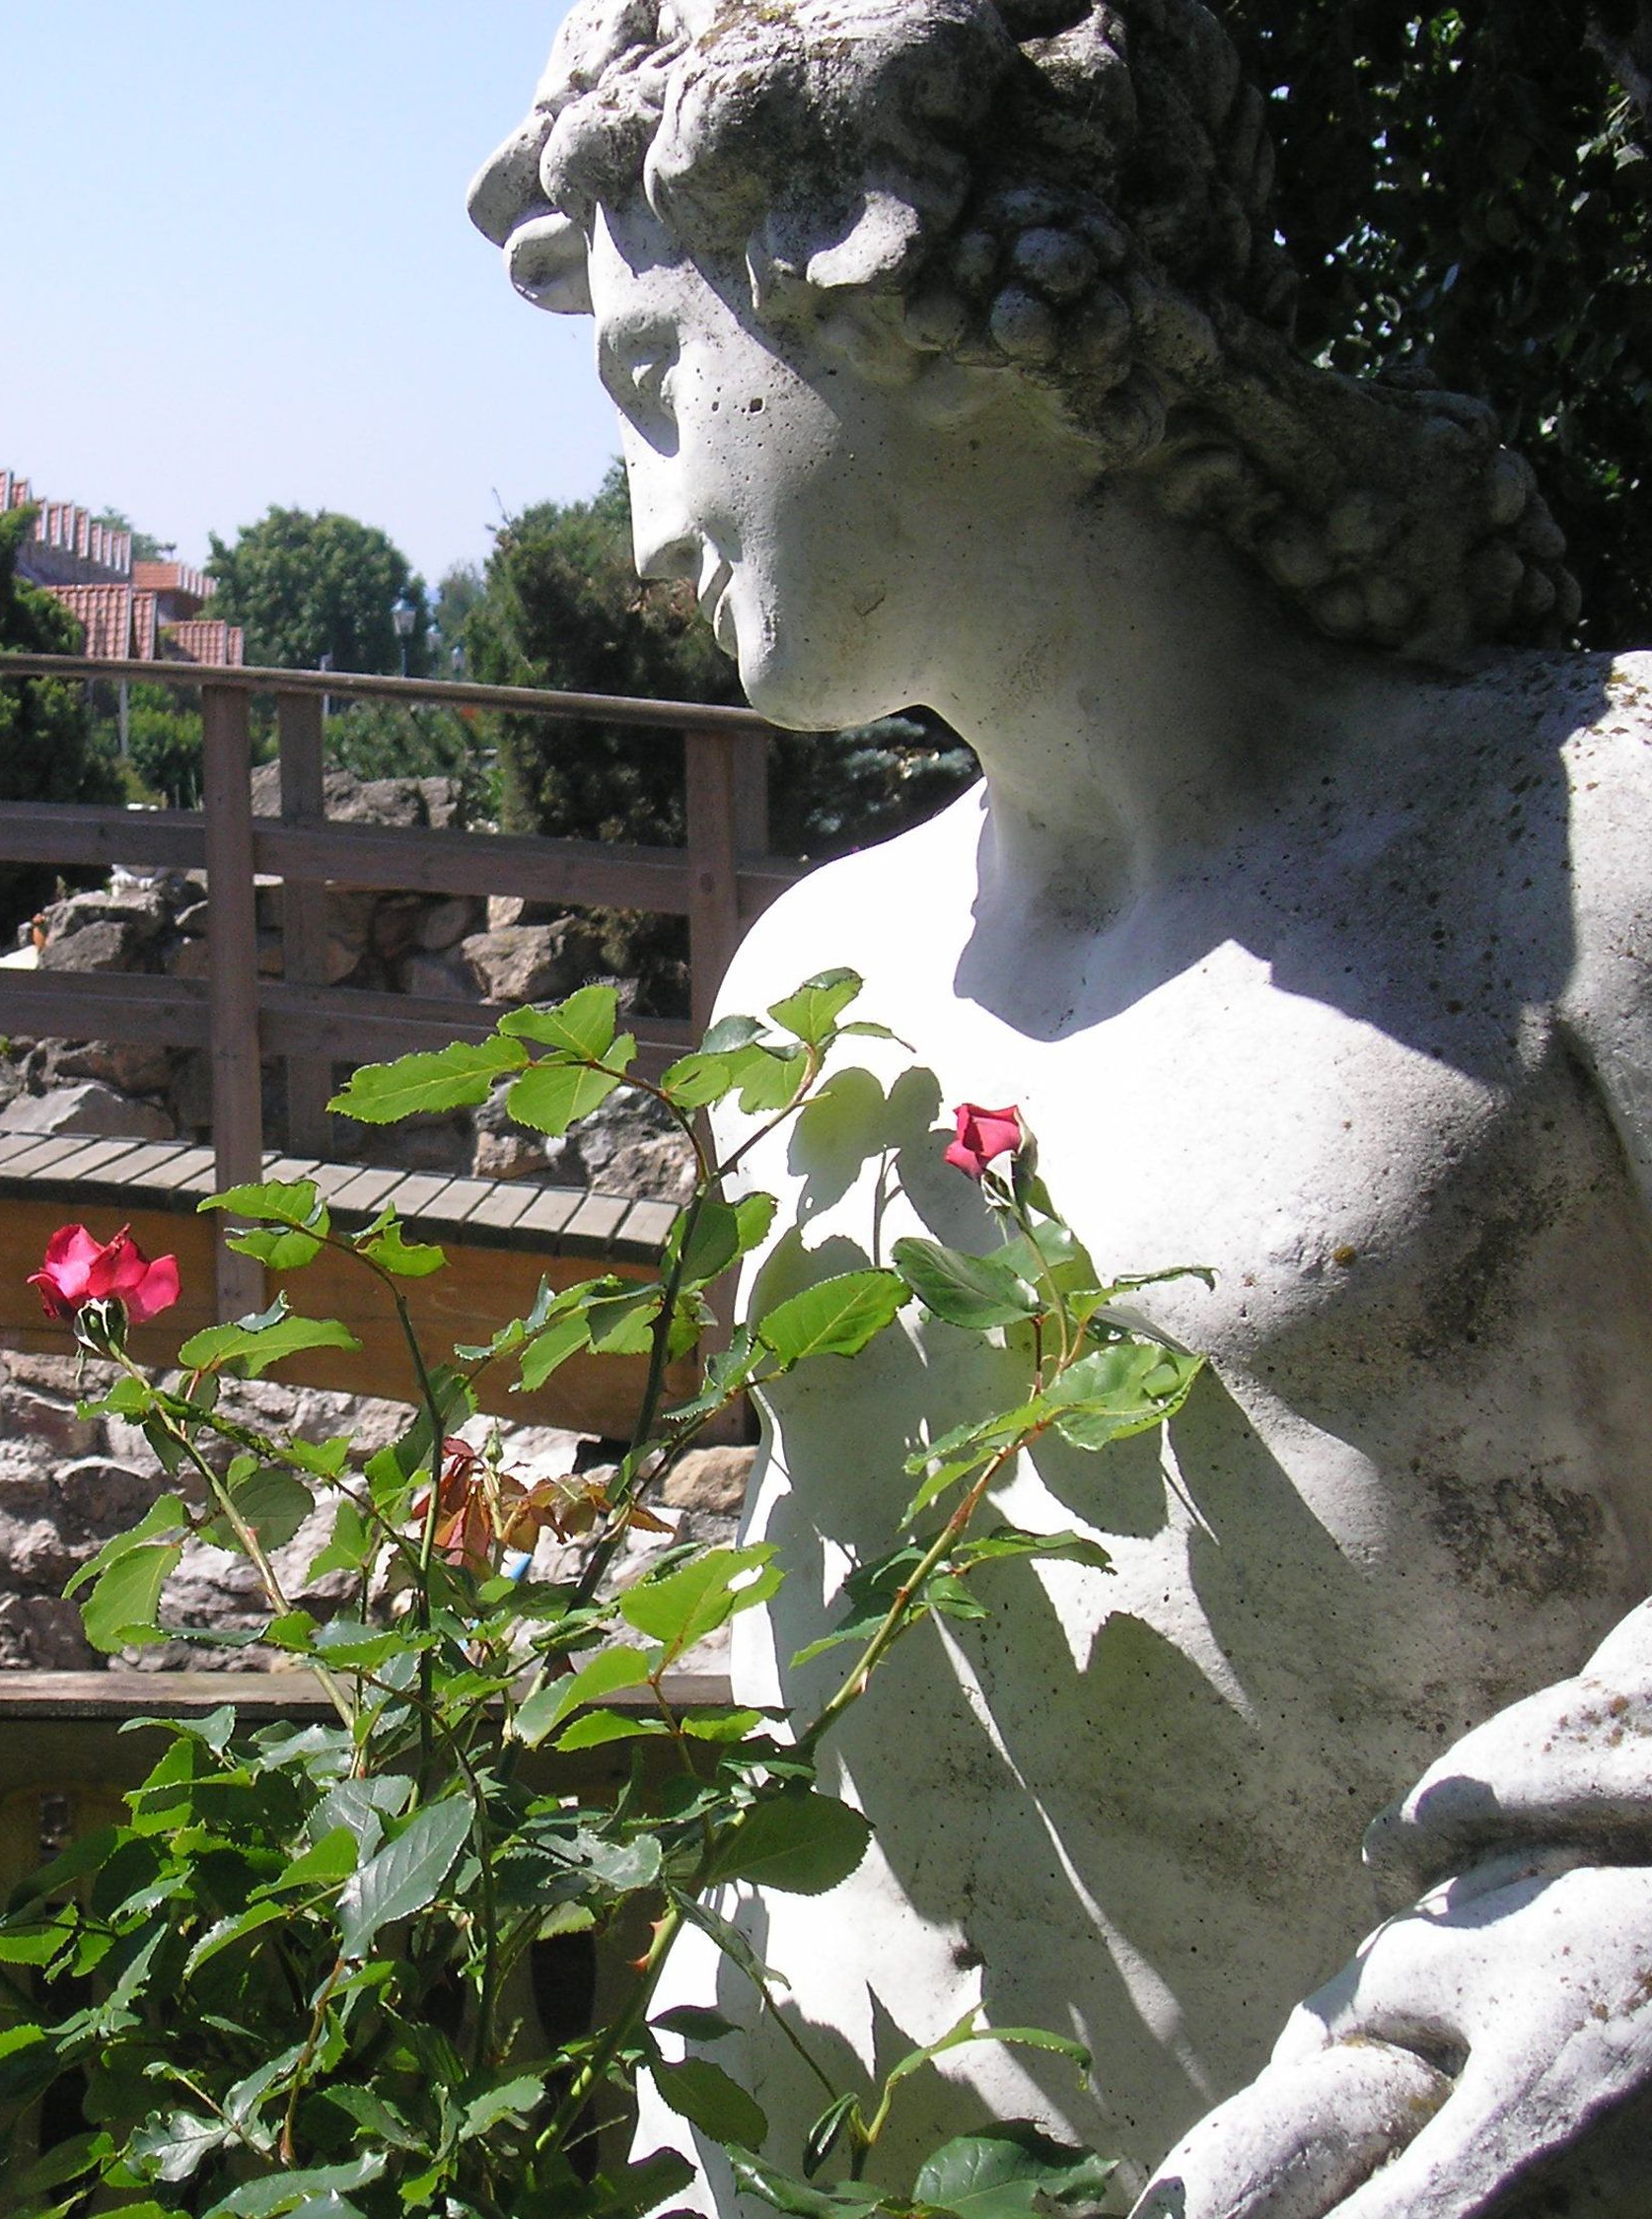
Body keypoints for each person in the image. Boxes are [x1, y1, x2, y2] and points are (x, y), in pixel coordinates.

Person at [472, 3, 1652, 2210]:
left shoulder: (1583, 852)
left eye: (656, 387)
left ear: (888, 278)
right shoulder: (812, 984)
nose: (643, 525)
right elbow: (817, 1662)